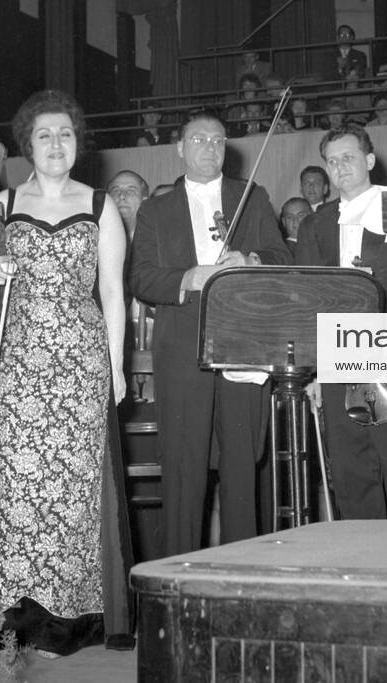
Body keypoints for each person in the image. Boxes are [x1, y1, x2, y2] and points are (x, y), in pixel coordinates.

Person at [0, 89, 131, 656]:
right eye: (44, 135)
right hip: (18, 360)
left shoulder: (101, 204)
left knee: (73, 489)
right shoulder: (2, 205)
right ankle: (11, 611)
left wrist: (117, 368)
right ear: (26, 144)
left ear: (78, 142)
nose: (56, 144)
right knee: (15, 486)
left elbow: (112, 293)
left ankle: (70, 614)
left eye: (65, 134)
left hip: (81, 364)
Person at [129, 110, 291, 555]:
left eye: (217, 140)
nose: (209, 148)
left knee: (242, 464)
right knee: (183, 465)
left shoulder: (251, 197)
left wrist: (251, 261)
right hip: (182, 347)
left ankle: (243, 569)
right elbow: (140, 278)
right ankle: (180, 568)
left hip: (242, 341)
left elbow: (281, 257)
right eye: (198, 140)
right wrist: (189, 278)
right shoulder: (155, 209)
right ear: (180, 148)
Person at [296, 127, 387, 521]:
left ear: (370, 161)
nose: (340, 167)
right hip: (340, 357)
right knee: (351, 469)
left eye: (349, 157)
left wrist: (375, 302)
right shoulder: (315, 225)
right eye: (332, 160)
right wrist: (314, 369)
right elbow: (309, 300)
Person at [106, 170, 149, 240]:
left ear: (145, 200)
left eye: (131, 191)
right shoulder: (96, 238)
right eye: (116, 191)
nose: (121, 196)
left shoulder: (158, 240)